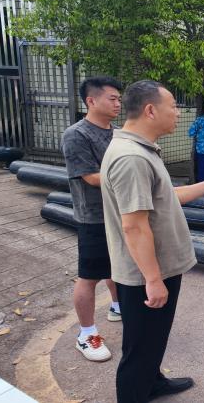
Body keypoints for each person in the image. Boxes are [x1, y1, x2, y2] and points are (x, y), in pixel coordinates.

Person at [100, 80, 204, 402]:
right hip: (146, 273)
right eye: (173, 106)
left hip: (156, 267)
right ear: (150, 110)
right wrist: (153, 279)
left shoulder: (141, 150)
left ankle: (153, 382)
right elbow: (134, 226)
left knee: (153, 339)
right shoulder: (132, 158)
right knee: (140, 347)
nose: (178, 113)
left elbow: (166, 196)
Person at [61, 76, 123, 362]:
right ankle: (86, 334)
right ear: (91, 101)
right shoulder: (76, 135)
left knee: (118, 267)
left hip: (122, 212)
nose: (118, 103)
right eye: (112, 98)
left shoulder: (119, 133)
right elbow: (91, 177)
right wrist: (135, 176)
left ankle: (118, 306)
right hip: (94, 217)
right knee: (89, 276)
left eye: (119, 99)